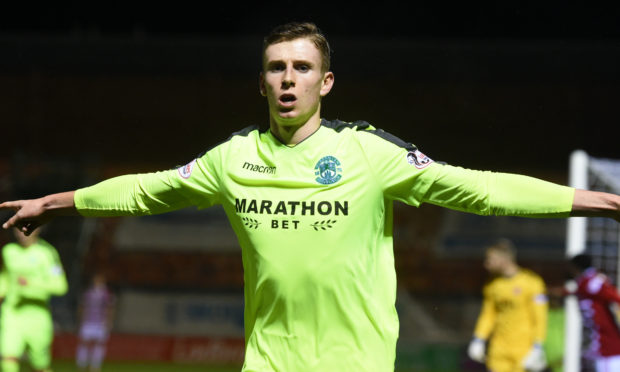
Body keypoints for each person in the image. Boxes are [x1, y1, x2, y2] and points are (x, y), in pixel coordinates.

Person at [0, 22, 619, 372]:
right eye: (276, 68)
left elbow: (479, 190)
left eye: (300, 68)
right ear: (261, 83)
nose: (287, 79)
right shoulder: (232, 157)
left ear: (325, 82)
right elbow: (146, 191)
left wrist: (601, 203)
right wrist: (55, 201)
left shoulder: (371, 154)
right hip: (267, 363)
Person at [467, 239, 549, 372]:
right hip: (498, 348)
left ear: (503, 259)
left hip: (524, 349)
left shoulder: (532, 283)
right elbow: (488, 315)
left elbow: (540, 317)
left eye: (490, 259)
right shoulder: (492, 285)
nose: (486, 264)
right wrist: (479, 338)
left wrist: (538, 346)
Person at [0, 228, 68, 372]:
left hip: (38, 316)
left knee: (39, 366)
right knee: (7, 359)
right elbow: (5, 279)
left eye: (26, 227)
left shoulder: (47, 253)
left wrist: (31, 283)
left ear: (38, 228)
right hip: (12, 314)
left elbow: (60, 286)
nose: (21, 232)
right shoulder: (9, 251)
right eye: (17, 228)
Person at [566, 253, 620, 372]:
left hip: (608, 349)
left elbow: (614, 298)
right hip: (597, 348)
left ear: (575, 267)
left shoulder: (593, 282)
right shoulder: (585, 283)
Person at [75, 272, 115, 372]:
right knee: (84, 343)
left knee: (99, 343)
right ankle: (82, 364)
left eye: (100, 280)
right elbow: (82, 307)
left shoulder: (106, 294)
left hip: (100, 322)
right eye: (96, 280)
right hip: (88, 322)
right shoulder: (88, 293)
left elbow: (110, 308)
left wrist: (109, 321)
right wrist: (81, 319)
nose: (98, 282)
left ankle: (95, 366)